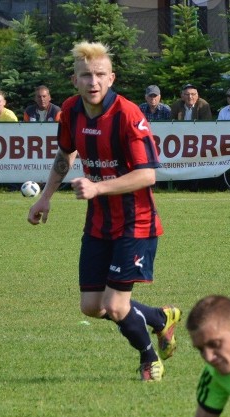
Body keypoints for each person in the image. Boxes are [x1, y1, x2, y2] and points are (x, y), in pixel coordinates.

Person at [26, 41, 181, 382]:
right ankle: (159, 319)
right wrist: (45, 197)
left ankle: (149, 358)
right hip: (98, 222)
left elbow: (148, 174)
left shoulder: (128, 115)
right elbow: (64, 156)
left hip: (135, 222)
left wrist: (98, 187)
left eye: (99, 75)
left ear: (111, 78)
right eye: (85, 76)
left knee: (114, 305)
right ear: (74, 80)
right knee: (91, 306)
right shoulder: (70, 112)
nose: (92, 82)